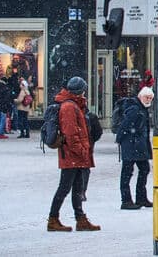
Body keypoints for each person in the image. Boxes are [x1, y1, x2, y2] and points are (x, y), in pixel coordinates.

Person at [48, 77, 100, 232]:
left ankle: (80, 218)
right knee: (64, 187)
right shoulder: (69, 107)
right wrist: (82, 151)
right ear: (80, 91)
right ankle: (53, 218)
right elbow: (71, 133)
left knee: (77, 187)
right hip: (72, 155)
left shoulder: (75, 105)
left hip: (75, 155)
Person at [118, 86, 154, 209]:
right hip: (132, 145)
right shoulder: (135, 108)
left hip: (137, 145)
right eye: (146, 97)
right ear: (140, 96)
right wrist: (123, 139)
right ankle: (127, 200)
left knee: (142, 170)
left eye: (150, 98)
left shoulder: (140, 108)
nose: (148, 100)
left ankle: (140, 198)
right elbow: (125, 125)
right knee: (129, 172)